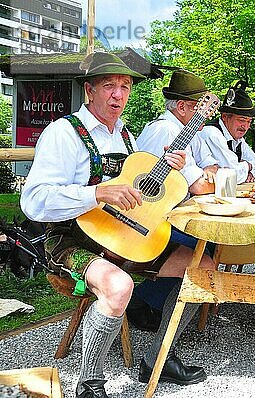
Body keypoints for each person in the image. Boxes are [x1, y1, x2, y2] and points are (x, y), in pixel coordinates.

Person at [20, 53, 213, 398]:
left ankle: (157, 360)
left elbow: (139, 190)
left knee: (202, 268)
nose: (118, 95)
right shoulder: (62, 133)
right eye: (109, 86)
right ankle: (89, 384)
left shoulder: (124, 135)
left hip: (123, 234)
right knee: (118, 285)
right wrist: (96, 193)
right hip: (70, 239)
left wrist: (174, 167)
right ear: (89, 90)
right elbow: (34, 201)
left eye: (124, 87)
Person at [130, 69, 220, 332]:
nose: (201, 114)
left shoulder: (169, 128)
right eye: (196, 108)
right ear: (181, 106)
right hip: (144, 219)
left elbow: (201, 173)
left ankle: (153, 302)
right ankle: (145, 302)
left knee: (204, 241)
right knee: (202, 242)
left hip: (150, 212)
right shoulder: (169, 131)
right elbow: (199, 184)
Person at [137, 69, 219, 195]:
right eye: (200, 107)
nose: (206, 116)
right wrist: (225, 179)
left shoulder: (189, 131)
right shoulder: (168, 129)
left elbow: (210, 163)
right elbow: (198, 187)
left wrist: (210, 170)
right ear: (181, 107)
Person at [193, 80, 255, 183]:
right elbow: (232, 174)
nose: (245, 126)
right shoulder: (212, 133)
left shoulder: (237, 139)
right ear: (225, 117)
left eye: (249, 121)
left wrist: (249, 171)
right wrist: (248, 165)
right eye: (242, 120)